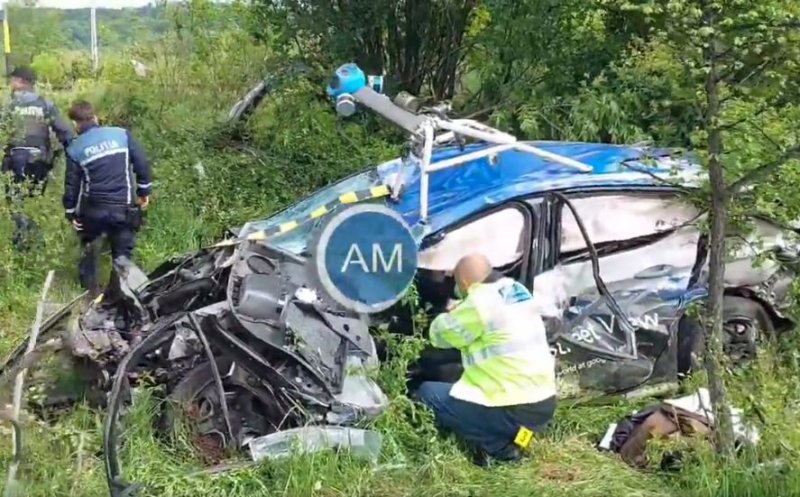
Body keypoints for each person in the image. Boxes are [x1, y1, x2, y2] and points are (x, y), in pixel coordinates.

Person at [415, 253, 557, 465]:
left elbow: (439, 336)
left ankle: (500, 449)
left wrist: (446, 313)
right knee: (460, 385)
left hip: (512, 406)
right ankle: (515, 435)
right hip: (543, 403)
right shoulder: (515, 289)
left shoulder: (479, 302)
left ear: (463, 282)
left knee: (427, 393)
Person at [62, 100, 153, 295]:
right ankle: (122, 294)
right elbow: (142, 163)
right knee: (123, 256)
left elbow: (72, 186)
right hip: (124, 209)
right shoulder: (121, 135)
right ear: (94, 117)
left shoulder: (75, 149)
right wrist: (144, 191)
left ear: (75, 124)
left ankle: (90, 293)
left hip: (93, 212)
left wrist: (72, 214)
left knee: (89, 250)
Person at [1, 66, 74, 249]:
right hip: (40, 161)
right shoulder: (45, 105)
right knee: (34, 200)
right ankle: (35, 243)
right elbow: (65, 133)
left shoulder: (10, 106)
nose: (11, 84)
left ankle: (23, 244)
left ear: (20, 81)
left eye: (13, 80)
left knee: (16, 201)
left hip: (15, 161)